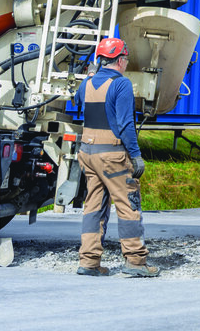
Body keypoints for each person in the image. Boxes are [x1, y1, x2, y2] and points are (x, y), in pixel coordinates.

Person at [74, 37, 159, 277]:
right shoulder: (121, 85)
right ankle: (135, 261)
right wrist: (136, 155)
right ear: (120, 60)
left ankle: (88, 262)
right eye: (126, 59)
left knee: (93, 207)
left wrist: (90, 76)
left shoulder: (86, 84)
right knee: (128, 205)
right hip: (112, 155)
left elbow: (78, 102)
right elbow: (126, 125)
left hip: (87, 153)